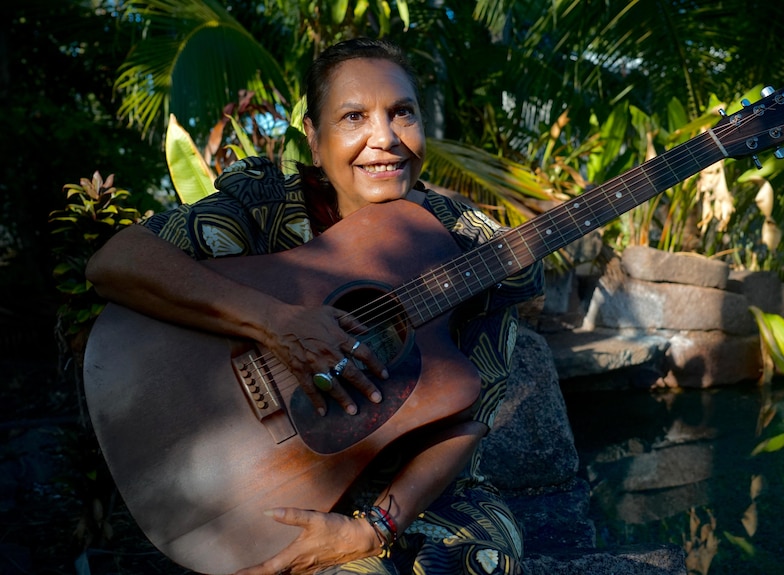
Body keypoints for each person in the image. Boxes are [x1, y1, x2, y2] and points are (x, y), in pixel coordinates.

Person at [86, 37, 544, 575]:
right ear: (314, 135)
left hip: (425, 488)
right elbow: (116, 262)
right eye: (354, 116)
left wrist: (370, 530)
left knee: (479, 561)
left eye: (403, 113)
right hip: (275, 480)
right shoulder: (261, 204)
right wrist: (274, 321)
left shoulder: (471, 246)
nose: (385, 139)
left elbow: (466, 421)